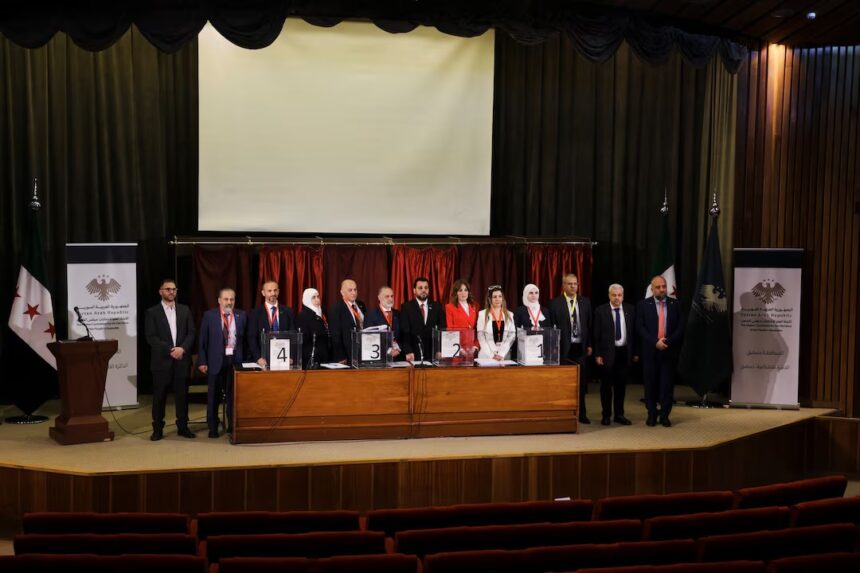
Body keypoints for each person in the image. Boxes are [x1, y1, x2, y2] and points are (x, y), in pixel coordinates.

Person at [144, 279, 196, 441]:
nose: (171, 292)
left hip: (181, 360)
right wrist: (170, 350)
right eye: (167, 289)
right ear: (161, 291)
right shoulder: (152, 312)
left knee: (182, 396)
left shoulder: (184, 310)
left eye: (173, 289)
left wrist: (182, 349)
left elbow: (191, 333)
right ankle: (158, 429)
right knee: (159, 398)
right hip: (162, 362)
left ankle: (183, 427)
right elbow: (151, 337)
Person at [198, 288, 247, 438]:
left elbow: (244, 341)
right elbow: (203, 341)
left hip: (235, 361)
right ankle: (213, 426)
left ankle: (232, 425)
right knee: (213, 396)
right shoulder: (209, 316)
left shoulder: (241, 315)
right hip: (215, 361)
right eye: (225, 299)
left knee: (233, 396)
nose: (229, 302)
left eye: (231, 299)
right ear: (219, 300)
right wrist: (202, 361)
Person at [636, 275, 685, 427]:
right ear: (652, 289)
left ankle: (664, 415)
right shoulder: (643, 305)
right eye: (658, 287)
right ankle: (651, 414)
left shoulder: (675, 304)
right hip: (650, 351)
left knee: (666, 385)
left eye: (664, 286)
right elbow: (640, 327)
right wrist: (655, 342)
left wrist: (667, 342)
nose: (662, 289)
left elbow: (680, 327)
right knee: (650, 384)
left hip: (669, 351)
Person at [550, 273, 593, 424]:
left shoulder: (585, 302)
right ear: (563, 285)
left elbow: (589, 325)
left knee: (580, 383)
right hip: (563, 349)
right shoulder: (555, 303)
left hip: (580, 347)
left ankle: (582, 413)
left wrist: (589, 344)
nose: (573, 286)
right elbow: (552, 328)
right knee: (564, 382)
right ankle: (564, 413)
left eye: (575, 284)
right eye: (570, 284)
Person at [593, 283, 637, 426]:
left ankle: (619, 414)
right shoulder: (601, 311)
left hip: (624, 353)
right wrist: (598, 354)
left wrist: (635, 352)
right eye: (614, 295)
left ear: (623, 296)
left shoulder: (630, 309)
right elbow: (596, 335)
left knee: (621, 386)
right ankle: (606, 415)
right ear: (609, 295)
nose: (617, 298)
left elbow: (634, 334)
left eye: (619, 295)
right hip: (607, 354)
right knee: (606, 386)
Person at [248, 279, 295, 368]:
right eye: (269, 291)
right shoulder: (255, 313)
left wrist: (291, 356)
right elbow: (251, 337)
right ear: (263, 293)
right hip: (264, 358)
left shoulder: (288, 312)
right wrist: (258, 358)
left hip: (284, 357)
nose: (273, 293)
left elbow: (293, 336)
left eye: (275, 290)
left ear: (278, 291)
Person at [400, 277, 446, 363]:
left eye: (426, 288)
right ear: (414, 290)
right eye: (420, 288)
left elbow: (441, 329)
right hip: (413, 354)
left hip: (433, 354)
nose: (423, 290)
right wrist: (408, 351)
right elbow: (404, 332)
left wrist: (439, 349)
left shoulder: (437, 306)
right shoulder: (406, 307)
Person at [328, 279, 368, 363]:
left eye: (355, 289)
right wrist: (341, 356)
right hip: (347, 354)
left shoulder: (361, 305)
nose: (354, 292)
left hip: (364, 351)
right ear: (342, 292)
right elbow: (335, 334)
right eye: (350, 290)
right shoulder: (336, 308)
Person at [295, 288, 331, 368]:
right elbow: (304, 342)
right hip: (312, 361)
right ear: (307, 299)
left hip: (325, 358)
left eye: (318, 297)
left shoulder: (322, 313)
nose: (317, 300)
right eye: (313, 297)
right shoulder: (303, 316)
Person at [477, 285, 516, 360]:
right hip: (486, 356)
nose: (498, 299)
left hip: (504, 356)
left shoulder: (510, 315)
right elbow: (481, 337)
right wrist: (491, 355)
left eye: (500, 296)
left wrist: (501, 354)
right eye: (494, 297)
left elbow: (511, 336)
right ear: (489, 299)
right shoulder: (482, 314)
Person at [444, 279, 480, 360]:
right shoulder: (450, 307)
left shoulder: (475, 306)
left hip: (471, 349)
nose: (463, 293)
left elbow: (478, 328)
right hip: (457, 349)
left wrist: (475, 346)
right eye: (460, 290)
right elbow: (450, 330)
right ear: (456, 292)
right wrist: (459, 349)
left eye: (465, 290)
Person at [364, 285, 402, 359]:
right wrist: (386, 351)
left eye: (392, 296)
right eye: (387, 296)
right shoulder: (371, 315)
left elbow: (403, 336)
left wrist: (398, 348)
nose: (390, 299)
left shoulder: (399, 314)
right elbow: (369, 339)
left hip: (398, 357)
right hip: (379, 358)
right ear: (379, 298)